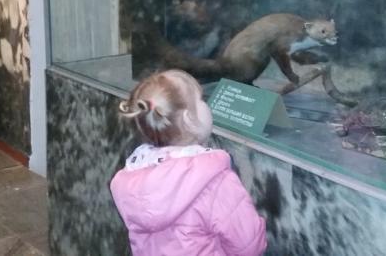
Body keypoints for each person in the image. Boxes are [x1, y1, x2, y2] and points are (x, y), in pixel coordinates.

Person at [110, 69, 268, 256]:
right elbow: (249, 246)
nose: (205, 103)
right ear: (188, 119)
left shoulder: (132, 176)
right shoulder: (215, 181)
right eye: (200, 100)